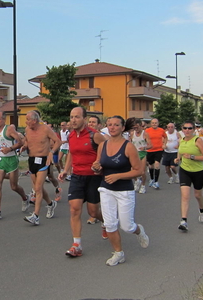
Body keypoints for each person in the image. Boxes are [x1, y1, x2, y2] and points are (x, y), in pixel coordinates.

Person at [92, 115, 149, 266]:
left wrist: (118, 176)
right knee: (110, 224)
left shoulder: (128, 146)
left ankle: (139, 230)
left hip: (124, 191)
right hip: (106, 189)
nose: (112, 127)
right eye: (109, 125)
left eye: (116, 125)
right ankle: (119, 253)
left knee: (127, 226)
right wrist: (96, 168)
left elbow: (138, 171)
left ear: (122, 128)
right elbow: (99, 166)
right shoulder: (102, 146)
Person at [58, 107, 106, 258]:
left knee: (93, 212)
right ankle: (76, 244)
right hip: (77, 177)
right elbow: (71, 153)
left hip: (93, 177)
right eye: (71, 117)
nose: (73, 120)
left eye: (77, 117)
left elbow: (107, 149)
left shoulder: (95, 135)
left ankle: (107, 222)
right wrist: (66, 170)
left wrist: (99, 163)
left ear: (84, 119)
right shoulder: (71, 135)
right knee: (74, 209)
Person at [21, 111, 60, 225]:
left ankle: (36, 216)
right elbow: (28, 141)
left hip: (43, 160)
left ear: (34, 120)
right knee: (38, 188)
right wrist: (24, 146)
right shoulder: (27, 129)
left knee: (38, 188)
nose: (26, 122)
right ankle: (50, 204)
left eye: (28, 119)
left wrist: (52, 152)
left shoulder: (45, 129)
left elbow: (58, 141)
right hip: (32, 160)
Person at [0, 111, 28, 220]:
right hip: (1, 159)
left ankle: (25, 198)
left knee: (14, 186)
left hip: (11, 160)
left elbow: (20, 142)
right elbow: (0, 142)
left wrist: (9, 149)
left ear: (4, 119)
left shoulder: (9, 129)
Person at [174, 121, 203, 231]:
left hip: (199, 172)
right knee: (185, 196)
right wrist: (178, 158)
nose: (187, 130)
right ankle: (184, 221)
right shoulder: (181, 140)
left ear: (193, 130)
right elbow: (181, 151)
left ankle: (202, 209)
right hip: (185, 170)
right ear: (182, 129)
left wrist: (192, 157)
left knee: (197, 195)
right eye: (185, 128)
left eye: (190, 128)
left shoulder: (198, 141)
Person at [145, 118, 167, 189]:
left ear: (158, 123)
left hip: (159, 149)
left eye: (156, 123)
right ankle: (151, 179)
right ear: (151, 124)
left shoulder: (161, 130)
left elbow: (165, 137)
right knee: (151, 166)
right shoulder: (147, 131)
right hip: (150, 150)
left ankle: (156, 182)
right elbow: (144, 139)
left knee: (157, 165)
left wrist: (164, 144)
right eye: (153, 123)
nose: (154, 124)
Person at [131, 119, 151, 194]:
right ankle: (137, 181)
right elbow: (129, 143)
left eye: (137, 127)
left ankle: (143, 186)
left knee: (142, 172)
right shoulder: (132, 134)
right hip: (135, 154)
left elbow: (151, 145)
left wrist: (145, 148)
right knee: (132, 171)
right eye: (134, 128)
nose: (136, 129)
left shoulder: (145, 134)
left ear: (140, 126)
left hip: (142, 153)